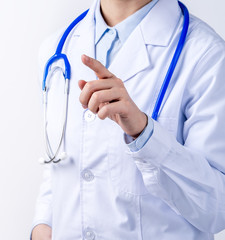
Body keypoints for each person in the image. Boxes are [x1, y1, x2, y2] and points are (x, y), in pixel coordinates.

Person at [31, 0, 225, 239]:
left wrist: (145, 134)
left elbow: (217, 209)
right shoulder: (57, 49)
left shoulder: (206, 55)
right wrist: (42, 227)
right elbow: (60, 165)